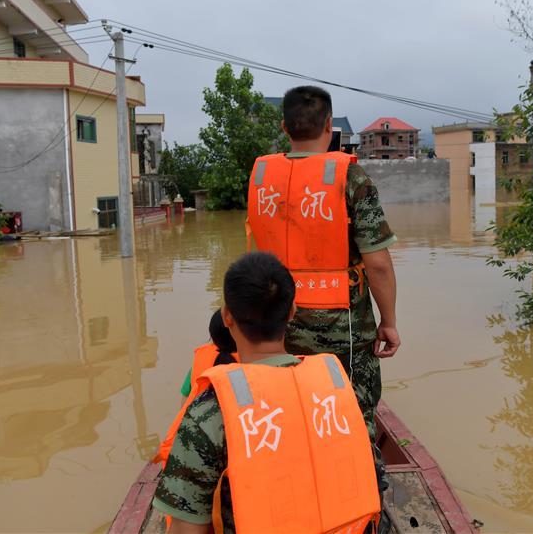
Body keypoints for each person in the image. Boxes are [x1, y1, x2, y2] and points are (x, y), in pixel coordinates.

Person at [153, 252, 380, 533]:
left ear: (226, 316)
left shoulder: (210, 413)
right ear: (292, 312)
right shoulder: (340, 389)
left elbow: (186, 530)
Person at [245, 86, 400, 480]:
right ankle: (359, 504)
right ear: (330, 127)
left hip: (273, 325)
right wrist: (389, 321)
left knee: (288, 411)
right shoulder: (349, 174)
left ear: (284, 127)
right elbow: (378, 263)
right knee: (350, 415)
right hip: (342, 329)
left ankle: (293, 491)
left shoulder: (262, 174)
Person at [153, 309, 238, 469]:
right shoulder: (250, 365)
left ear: (212, 337)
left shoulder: (202, 360)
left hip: (183, 453)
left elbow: (185, 402)